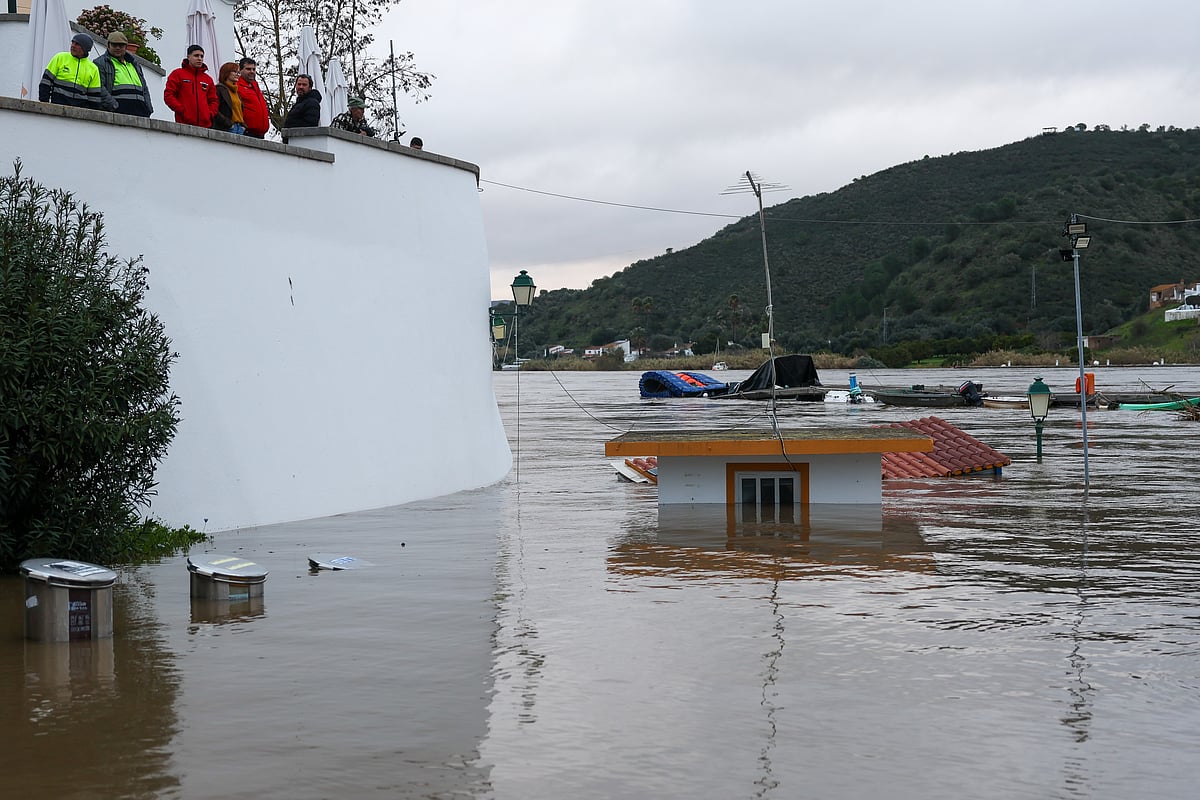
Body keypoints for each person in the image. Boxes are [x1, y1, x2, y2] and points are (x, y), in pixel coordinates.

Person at [94, 32, 152, 117]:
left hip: (141, 113)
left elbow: (144, 88)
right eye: (114, 45)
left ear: (126, 47)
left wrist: (148, 108)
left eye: (121, 45)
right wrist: (114, 106)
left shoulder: (134, 64)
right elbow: (99, 87)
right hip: (118, 113)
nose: (118, 48)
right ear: (108, 45)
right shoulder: (100, 63)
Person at [38, 33, 102, 109]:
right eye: (72, 42)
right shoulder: (60, 58)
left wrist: (91, 114)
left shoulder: (93, 69)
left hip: (79, 112)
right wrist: (44, 104)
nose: (73, 45)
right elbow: (46, 82)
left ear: (85, 48)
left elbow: (95, 97)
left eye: (77, 44)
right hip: (57, 107)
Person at [164, 45, 217, 128]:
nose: (199, 58)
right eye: (196, 55)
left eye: (202, 56)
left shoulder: (208, 79)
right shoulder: (177, 74)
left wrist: (209, 114)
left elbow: (214, 100)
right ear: (188, 57)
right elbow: (169, 95)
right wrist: (182, 110)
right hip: (183, 124)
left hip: (205, 125)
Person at [237, 57, 270, 138]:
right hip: (246, 133)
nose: (252, 71)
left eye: (253, 69)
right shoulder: (236, 86)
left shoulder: (256, 87)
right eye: (248, 69)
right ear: (240, 70)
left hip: (260, 134)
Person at [212, 62, 245, 134]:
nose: (237, 74)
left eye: (238, 72)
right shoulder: (219, 89)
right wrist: (228, 124)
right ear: (226, 73)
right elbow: (214, 109)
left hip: (239, 128)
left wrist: (243, 126)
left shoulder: (236, 91)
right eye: (234, 71)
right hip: (226, 128)